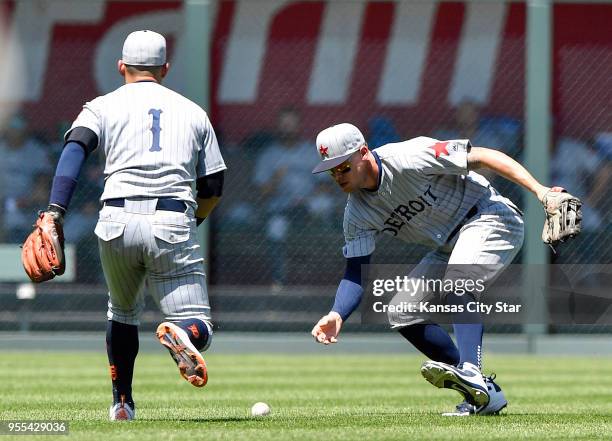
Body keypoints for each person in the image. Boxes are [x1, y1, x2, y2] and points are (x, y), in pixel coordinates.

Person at [310, 123, 567, 416]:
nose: (337, 177)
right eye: (331, 171)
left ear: (363, 153)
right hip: (447, 245)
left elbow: (482, 156)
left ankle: (471, 369)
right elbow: (356, 271)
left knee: (457, 282)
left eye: (343, 167)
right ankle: (480, 391)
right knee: (402, 311)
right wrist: (337, 313)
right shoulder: (356, 214)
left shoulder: (408, 156)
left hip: (489, 215)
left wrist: (540, 191)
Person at [41, 30, 226, 420]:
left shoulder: (100, 106)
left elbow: (75, 148)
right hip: (172, 217)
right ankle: (184, 335)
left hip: (115, 220)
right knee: (200, 323)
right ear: (165, 68)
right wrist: (192, 221)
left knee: (121, 312)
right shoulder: (193, 111)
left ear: (121, 65)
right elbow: (213, 185)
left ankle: (122, 404)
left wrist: (56, 209)